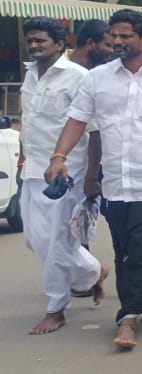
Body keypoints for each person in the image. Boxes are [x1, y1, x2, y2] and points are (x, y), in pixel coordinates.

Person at [46, 9, 142, 349]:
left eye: (125, 36)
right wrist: (59, 157)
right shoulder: (97, 79)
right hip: (115, 182)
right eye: (114, 35)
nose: (117, 41)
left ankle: (127, 318)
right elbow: (77, 120)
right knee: (125, 251)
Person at [20, 18, 107, 335]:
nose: (34, 45)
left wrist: (92, 177)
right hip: (33, 169)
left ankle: (56, 309)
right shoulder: (30, 74)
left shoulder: (78, 77)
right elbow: (30, 122)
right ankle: (91, 271)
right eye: (30, 40)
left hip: (68, 171)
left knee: (56, 240)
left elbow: (95, 132)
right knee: (33, 239)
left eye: (40, 40)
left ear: (59, 45)